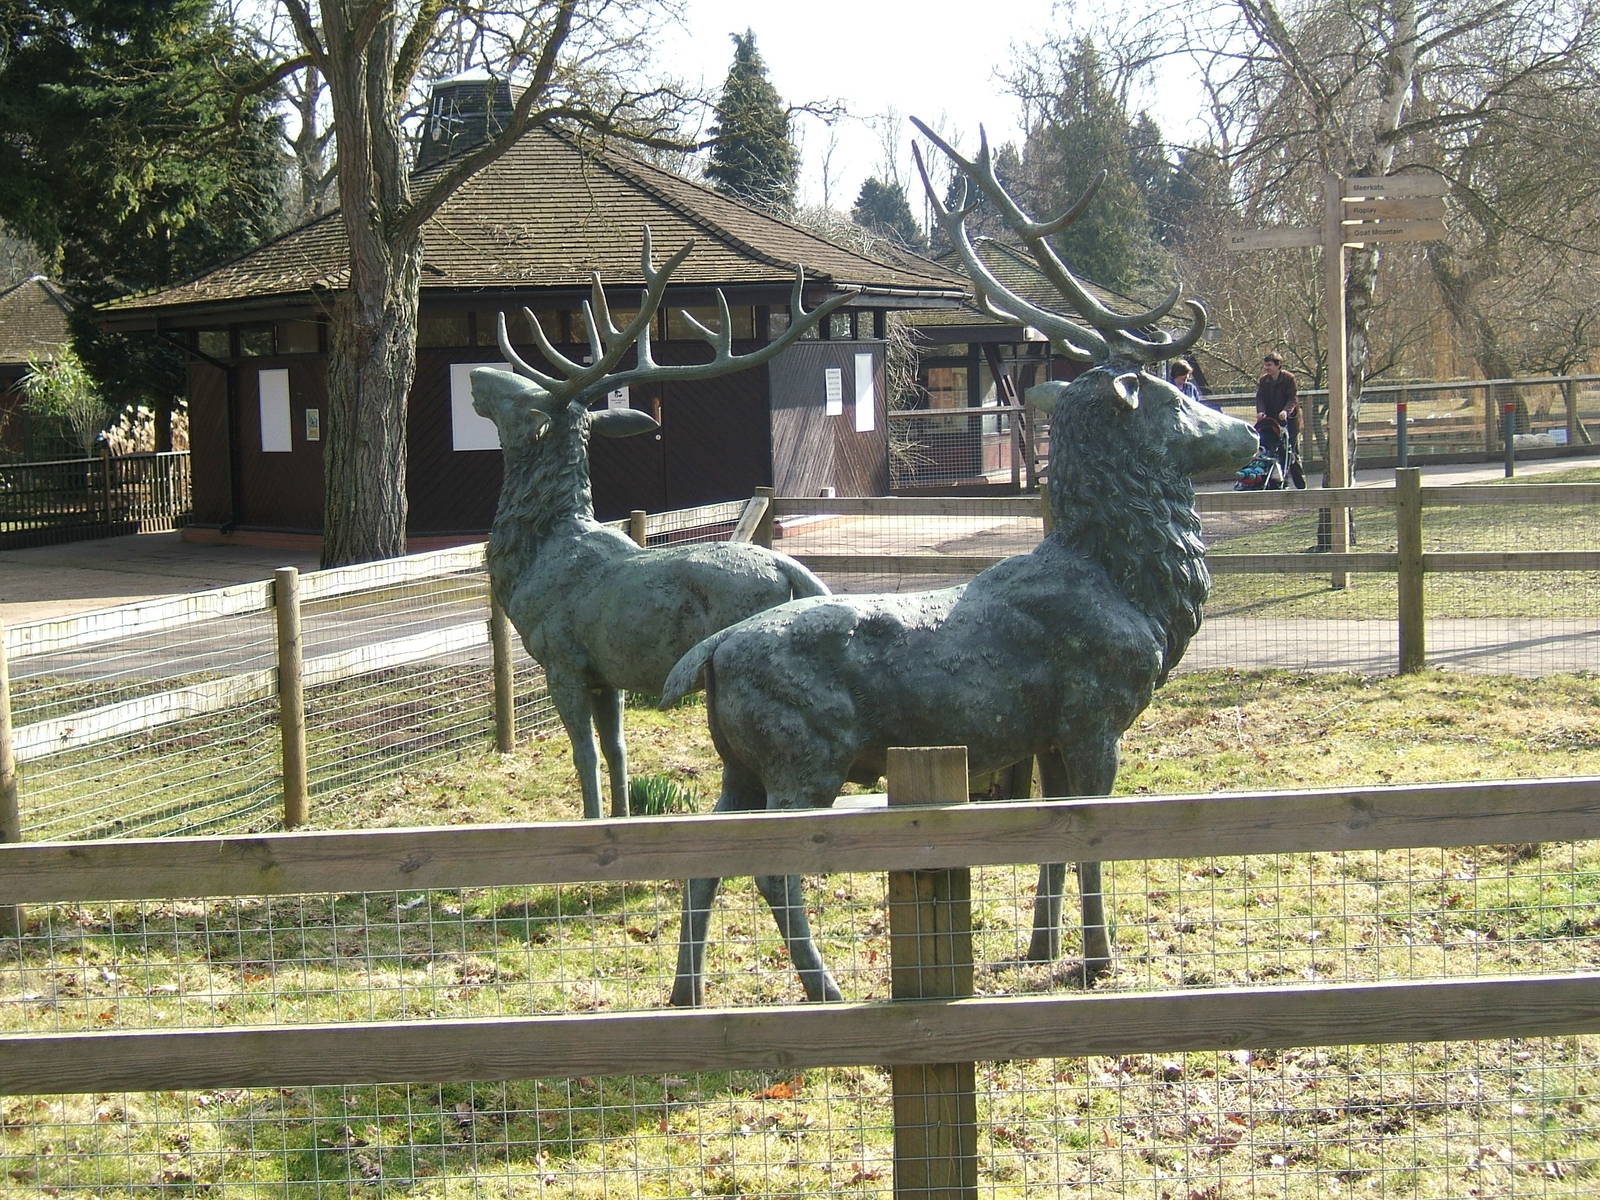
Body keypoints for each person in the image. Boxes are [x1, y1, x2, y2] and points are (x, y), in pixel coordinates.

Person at [1255, 353, 1299, 455]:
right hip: (1272, 421)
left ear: (1278, 365)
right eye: (1265, 365)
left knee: (1292, 451)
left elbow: (1292, 398)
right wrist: (1261, 411)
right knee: (1270, 448)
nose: (1266, 368)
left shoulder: (1289, 378)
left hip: (1289, 421)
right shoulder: (1264, 380)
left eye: (1269, 365)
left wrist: (1286, 411)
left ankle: (1297, 470)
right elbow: (1260, 397)